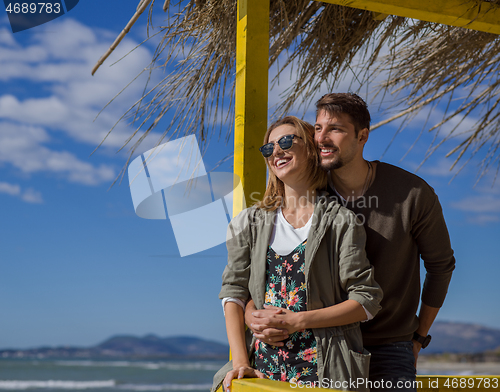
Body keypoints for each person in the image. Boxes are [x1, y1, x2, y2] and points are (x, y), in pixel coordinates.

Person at [246, 94, 456, 391]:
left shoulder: (413, 194)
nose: (322, 138)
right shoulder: (309, 197)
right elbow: (269, 273)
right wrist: (255, 316)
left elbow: (441, 267)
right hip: (327, 345)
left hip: (388, 347)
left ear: (362, 136)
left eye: (335, 129)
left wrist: (419, 337)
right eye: (317, 128)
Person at [212, 116, 382, 392]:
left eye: (287, 141)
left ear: (312, 149)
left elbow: (366, 300)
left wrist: (298, 321)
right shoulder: (249, 222)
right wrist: (241, 361)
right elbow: (233, 291)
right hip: (263, 370)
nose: (276, 151)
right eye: (268, 148)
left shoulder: (341, 220)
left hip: (327, 370)